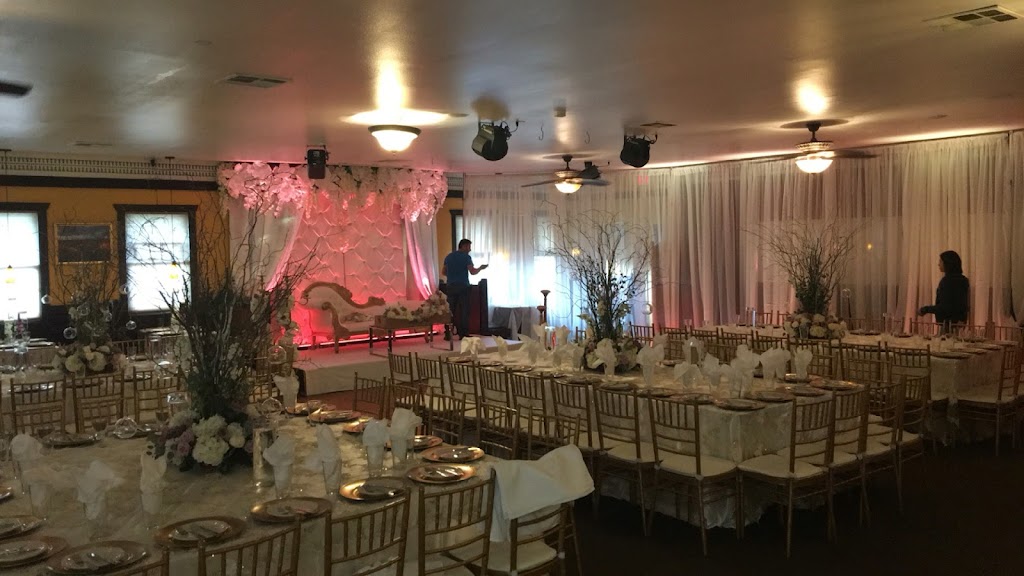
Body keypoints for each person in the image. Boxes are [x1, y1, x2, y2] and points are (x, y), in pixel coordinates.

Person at [442, 239, 488, 339]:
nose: (469, 249)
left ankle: (448, 333)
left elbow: (444, 272)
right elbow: (472, 272)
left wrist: (452, 276)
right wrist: (481, 268)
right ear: (463, 246)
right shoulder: (466, 257)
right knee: (464, 310)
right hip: (463, 286)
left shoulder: (449, 257)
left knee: (450, 310)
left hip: (450, 286)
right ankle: (463, 333)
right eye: (468, 247)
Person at [918, 250, 970, 330]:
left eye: (940, 261)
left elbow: (944, 307)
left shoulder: (947, 281)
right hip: (959, 323)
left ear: (947, 263)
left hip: (948, 323)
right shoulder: (964, 280)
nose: (938, 264)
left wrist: (925, 309)